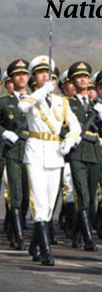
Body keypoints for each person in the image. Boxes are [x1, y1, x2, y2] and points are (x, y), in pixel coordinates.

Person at [18, 55, 81, 265]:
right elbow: (22, 108)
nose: (46, 77)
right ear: (34, 77)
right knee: (39, 200)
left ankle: (36, 244)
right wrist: (40, 93)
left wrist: (69, 141)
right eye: (41, 73)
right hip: (35, 149)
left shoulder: (61, 102)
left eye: (49, 74)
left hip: (55, 152)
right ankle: (46, 250)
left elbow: (75, 126)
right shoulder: (29, 98)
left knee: (49, 204)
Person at [66, 61, 102, 252]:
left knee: (90, 197)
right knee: (82, 193)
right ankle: (88, 237)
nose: (83, 80)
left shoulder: (97, 104)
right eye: (79, 77)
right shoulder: (67, 103)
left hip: (94, 152)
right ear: (72, 81)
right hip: (78, 152)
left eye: (86, 77)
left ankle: (77, 232)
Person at [0, 59, 31, 250]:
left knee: (27, 196)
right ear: (11, 79)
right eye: (17, 75)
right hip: (12, 151)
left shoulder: (36, 101)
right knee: (16, 194)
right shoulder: (4, 102)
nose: (21, 77)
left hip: (32, 151)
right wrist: (4, 132)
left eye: (24, 74)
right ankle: (17, 235)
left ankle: (15, 226)